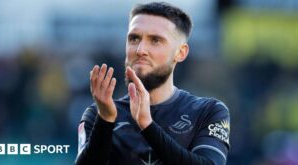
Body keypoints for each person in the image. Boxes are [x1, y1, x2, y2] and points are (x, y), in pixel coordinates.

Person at [75, 2, 230, 165]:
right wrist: (105, 120)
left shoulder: (208, 112)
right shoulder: (98, 114)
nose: (140, 49)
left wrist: (147, 125)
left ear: (181, 52)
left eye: (155, 40)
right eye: (134, 38)